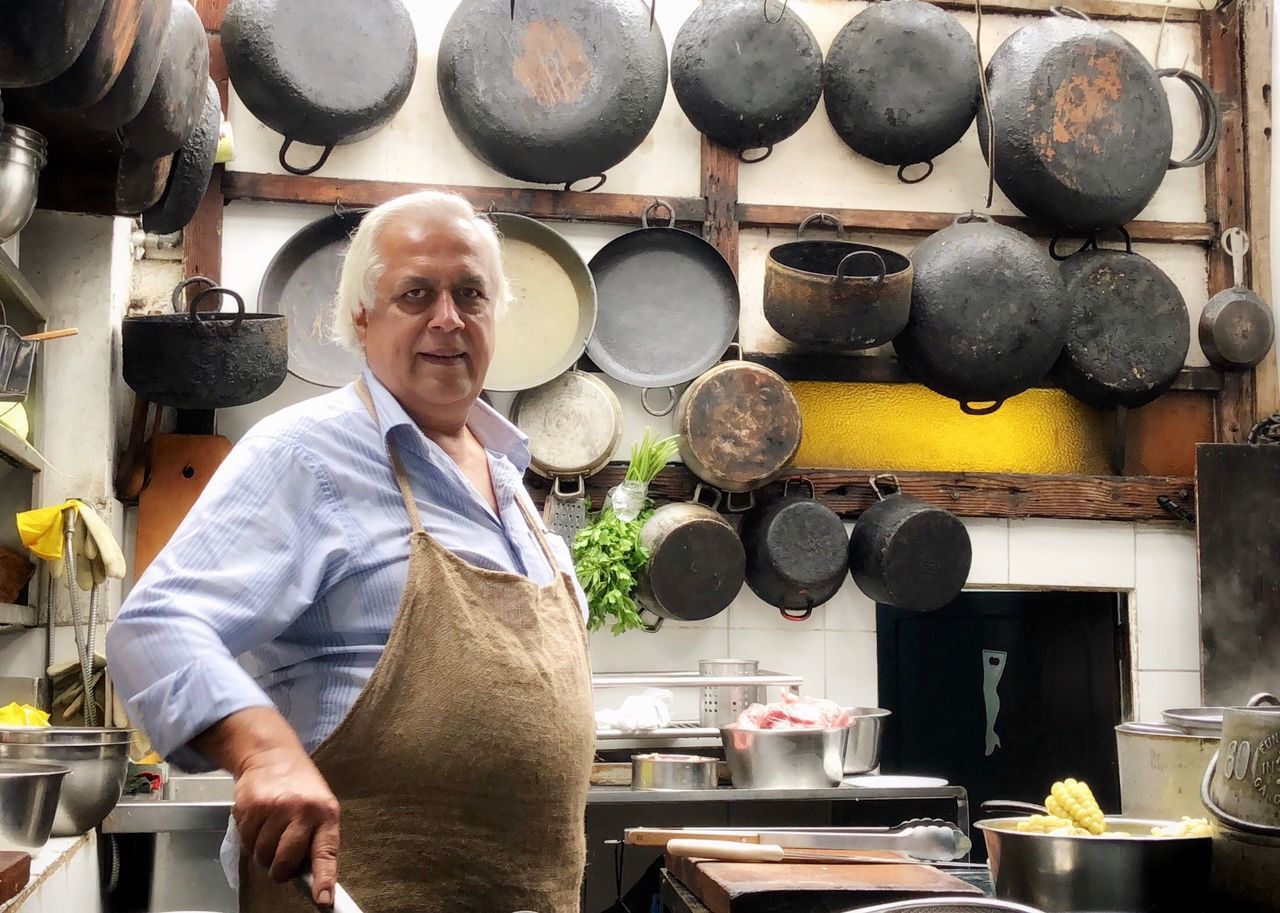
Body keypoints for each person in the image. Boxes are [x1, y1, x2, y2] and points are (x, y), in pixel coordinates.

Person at [107, 190, 595, 913]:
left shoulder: (511, 476)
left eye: (470, 294)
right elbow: (154, 628)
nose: (447, 319)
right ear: (362, 320)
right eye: (415, 294)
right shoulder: (308, 452)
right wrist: (263, 750)